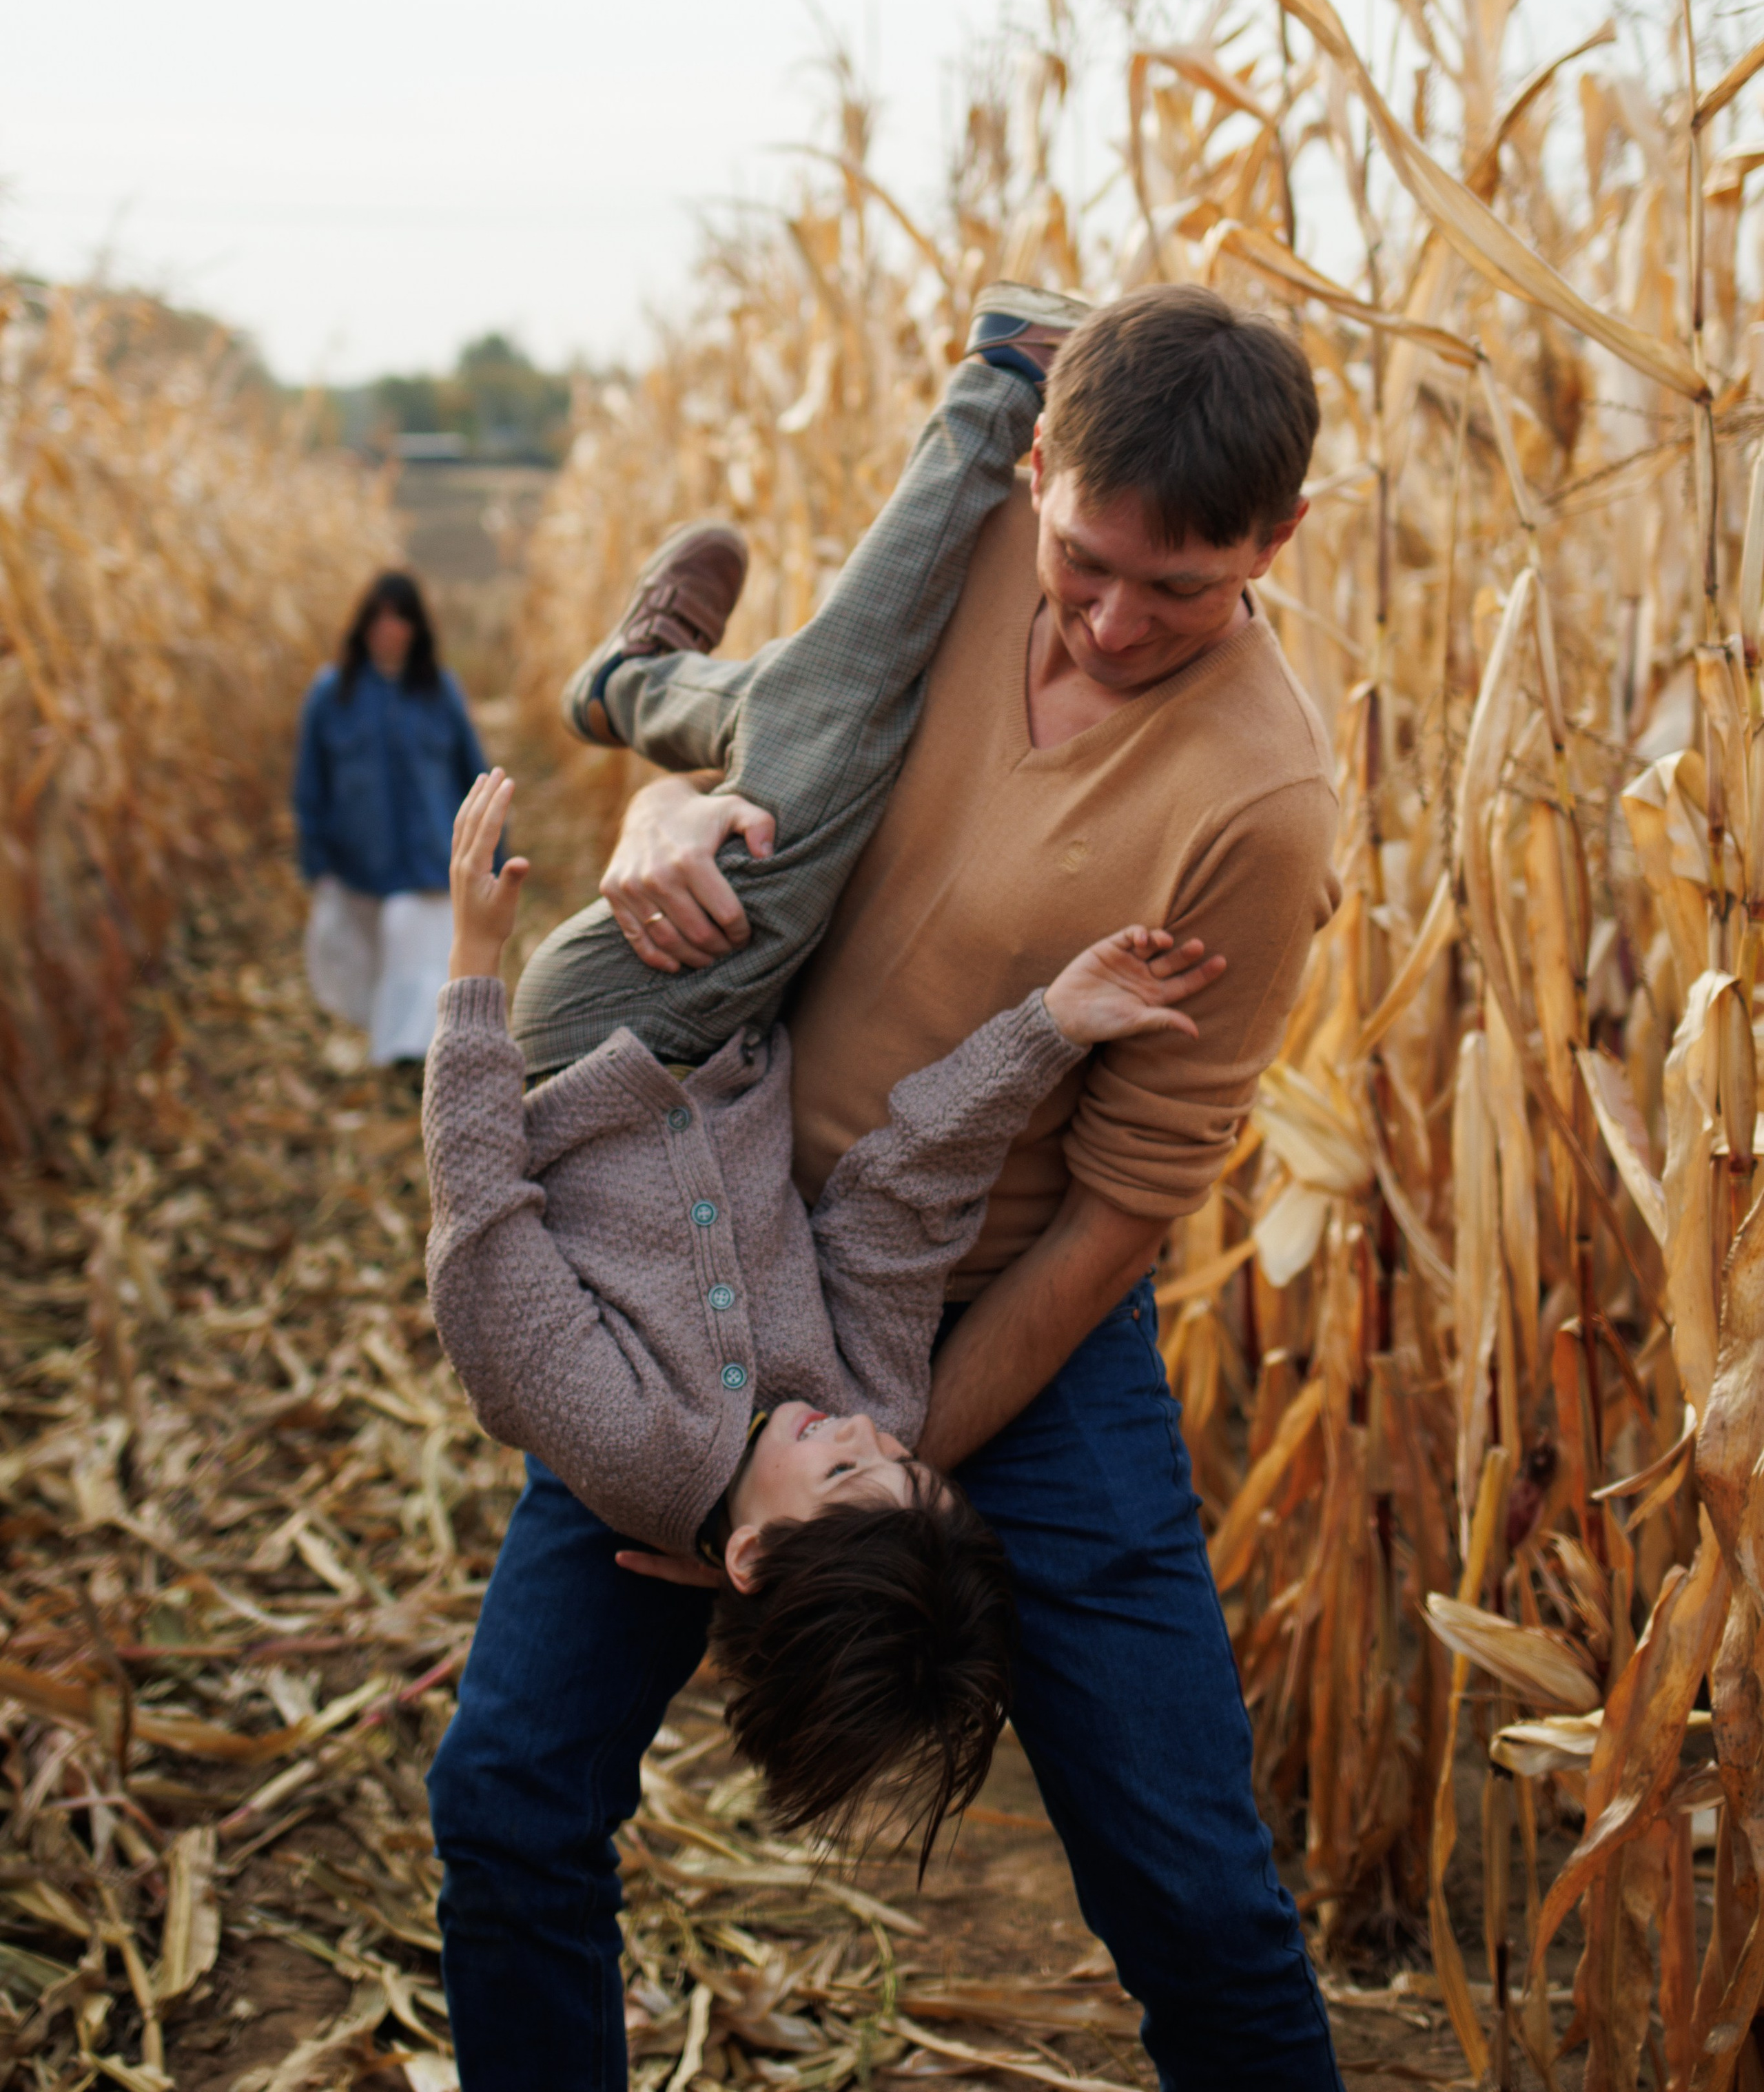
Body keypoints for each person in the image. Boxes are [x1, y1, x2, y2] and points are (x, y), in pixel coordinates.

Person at [427, 283, 1346, 2092]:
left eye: (1180, 590)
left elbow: (1120, 1205)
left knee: (1187, 1889)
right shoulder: (970, 554)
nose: (1112, 621)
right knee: (511, 1797)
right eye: (1085, 563)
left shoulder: (1259, 798)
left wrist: (867, 1445)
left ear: (1280, 540)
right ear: (1039, 472)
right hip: (709, 1268)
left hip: (1003, 1319)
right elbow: (800, 736)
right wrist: (660, 818)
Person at [427, 765, 1219, 1867]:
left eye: (849, 1470)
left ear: (748, 1557)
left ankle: (631, 685)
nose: (866, 1431)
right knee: (810, 775)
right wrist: (1046, 1030)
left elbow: (482, 1229)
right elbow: (900, 1202)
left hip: (586, 1043)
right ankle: (652, 692)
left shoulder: (623, 1437)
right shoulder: (873, 1402)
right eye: (898, 1459)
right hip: (738, 1024)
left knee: (830, 728)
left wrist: (472, 966)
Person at [293, 571, 489, 1067]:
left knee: (416, 955)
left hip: (428, 859)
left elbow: (472, 773)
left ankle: (409, 1059)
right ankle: (393, 1045)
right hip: (358, 862)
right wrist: (317, 861)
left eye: (400, 617)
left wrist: (489, 855)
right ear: (362, 625)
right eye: (379, 617)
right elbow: (310, 784)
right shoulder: (332, 694)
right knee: (369, 964)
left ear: (416, 627)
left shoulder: (439, 691)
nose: (388, 628)